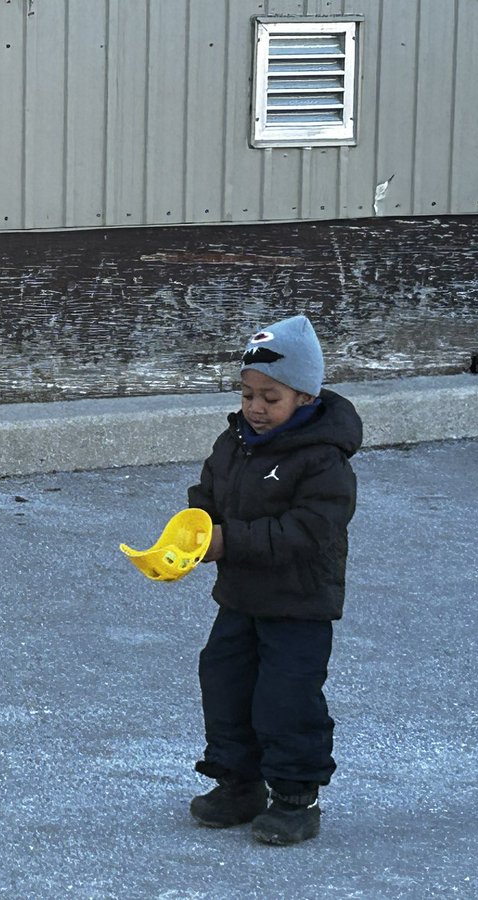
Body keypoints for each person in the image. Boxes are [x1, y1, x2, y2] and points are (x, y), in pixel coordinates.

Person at [185, 314, 362, 845]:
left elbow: (308, 531)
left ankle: (293, 796)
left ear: (305, 398)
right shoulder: (234, 441)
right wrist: (192, 530)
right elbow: (209, 492)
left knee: (286, 698)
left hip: (299, 604)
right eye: (248, 395)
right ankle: (239, 783)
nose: (256, 408)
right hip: (240, 597)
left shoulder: (323, 461)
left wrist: (228, 542)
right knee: (226, 683)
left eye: (271, 397)